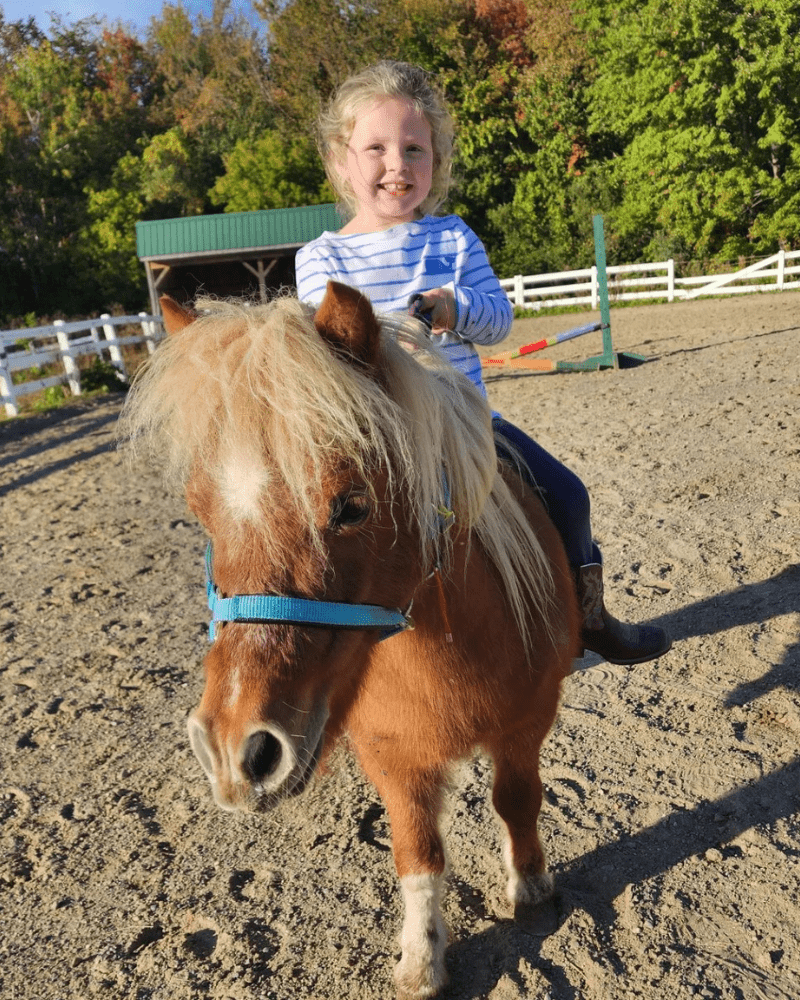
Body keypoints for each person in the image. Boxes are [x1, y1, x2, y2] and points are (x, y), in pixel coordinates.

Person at [295, 60, 670, 666]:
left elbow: (498, 321)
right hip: (383, 446)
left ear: (436, 161)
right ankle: (325, 650)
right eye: (377, 148)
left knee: (569, 496)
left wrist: (454, 306)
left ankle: (590, 615)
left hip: (467, 429)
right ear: (342, 160)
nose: (398, 165)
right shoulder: (319, 258)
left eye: (415, 149)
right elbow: (325, 361)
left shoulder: (453, 238)